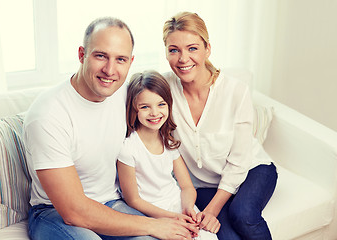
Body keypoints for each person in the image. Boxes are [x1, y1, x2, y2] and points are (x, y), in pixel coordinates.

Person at [23, 17, 197, 240]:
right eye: (100, 56)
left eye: (121, 59)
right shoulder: (48, 114)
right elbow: (73, 211)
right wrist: (154, 225)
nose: (110, 70)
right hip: (52, 213)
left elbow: (160, 106)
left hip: (112, 202)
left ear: (131, 62)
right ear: (81, 55)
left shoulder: (124, 95)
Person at [162, 12, 278, 240]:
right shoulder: (163, 89)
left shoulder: (235, 91)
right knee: (224, 236)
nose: (183, 58)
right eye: (174, 50)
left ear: (207, 49)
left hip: (252, 169)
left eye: (192, 48)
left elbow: (239, 160)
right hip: (203, 184)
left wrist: (213, 209)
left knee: (242, 215)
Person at [117, 70, 219, 240]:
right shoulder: (128, 148)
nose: (154, 113)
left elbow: (186, 186)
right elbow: (133, 200)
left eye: (161, 104)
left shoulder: (168, 141)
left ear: (169, 105)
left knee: (207, 237)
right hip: (151, 213)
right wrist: (173, 218)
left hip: (178, 204)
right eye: (145, 107)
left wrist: (188, 209)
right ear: (134, 110)